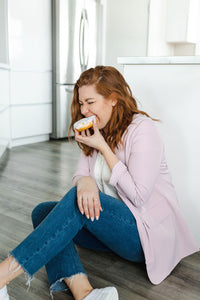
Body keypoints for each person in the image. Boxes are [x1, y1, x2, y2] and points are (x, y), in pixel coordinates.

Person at [0, 66, 199, 300]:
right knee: (42, 211)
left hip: (146, 236)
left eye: (90, 102)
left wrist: (102, 147)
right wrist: (85, 181)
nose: (84, 110)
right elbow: (80, 176)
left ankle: (2, 277)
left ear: (113, 99)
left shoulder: (142, 129)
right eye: (81, 103)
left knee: (75, 201)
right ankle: (85, 293)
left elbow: (138, 196)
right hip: (113, 231)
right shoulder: (97, 128)